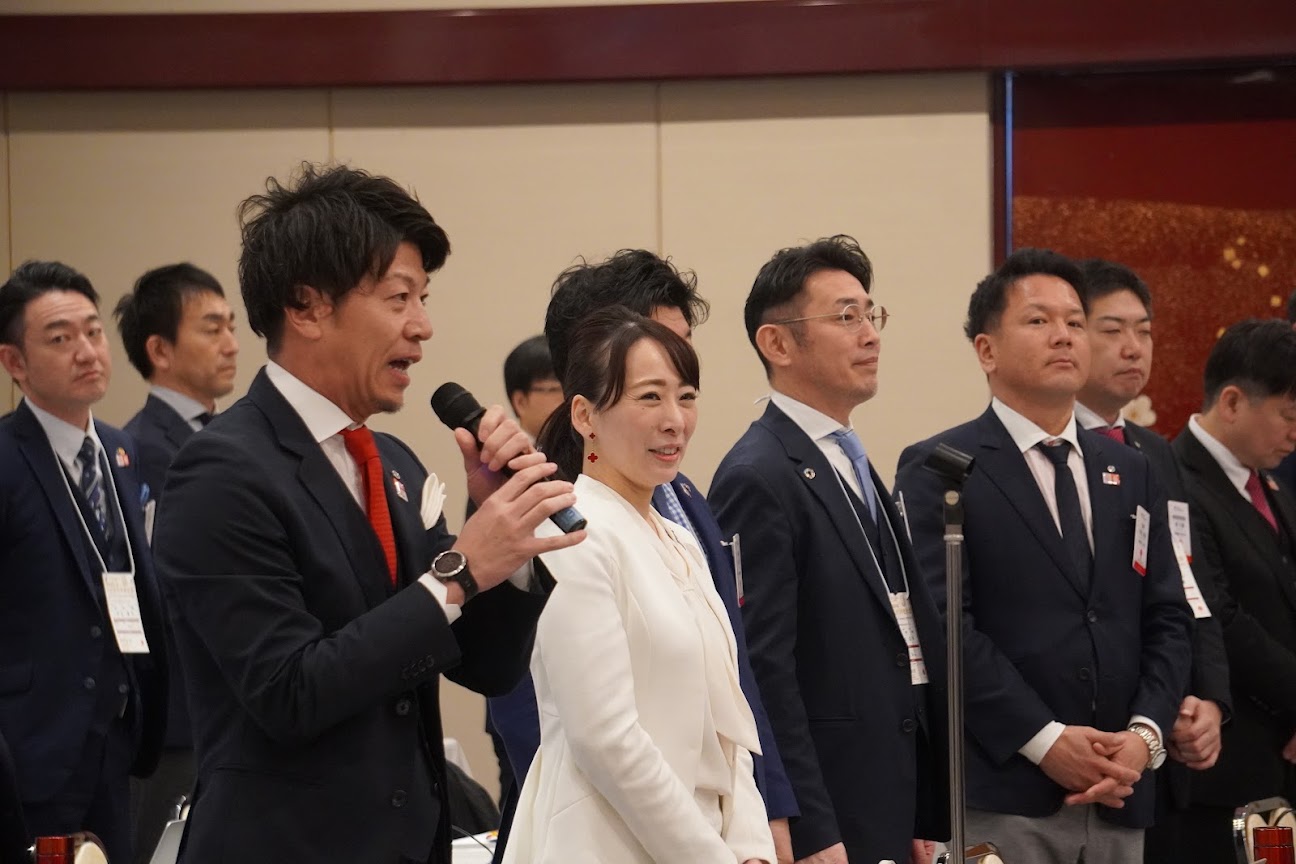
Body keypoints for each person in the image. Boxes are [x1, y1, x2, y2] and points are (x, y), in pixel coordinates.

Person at [152, 163, 583, 863]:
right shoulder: (220, 472)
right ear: (307, 307)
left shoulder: (394, 464)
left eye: (423, 298)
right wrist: (459, 572)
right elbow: (288, 691)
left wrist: (502, 542)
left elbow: (487, 668)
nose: (423, 326)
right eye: (399, 297)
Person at [486, 250, 797, 862]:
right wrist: (712, 856)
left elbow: (731, 719)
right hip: (608, 842)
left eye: (686, 396)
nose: (675, 420)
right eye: (650, 397)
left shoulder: (677, 535)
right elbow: (605, 740)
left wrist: (751, 843)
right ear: (585, 414)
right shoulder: (568, 529)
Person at [894, 248, 1192, 864]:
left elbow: (1168, 614)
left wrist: (1144, 736)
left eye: (1075, 322)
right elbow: (946, 627)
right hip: (1004, 790)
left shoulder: (1132, 469)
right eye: (1038, 320)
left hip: (1120, 789)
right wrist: (1045, 740)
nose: (1064, 335)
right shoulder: (942, 468)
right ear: (986, 350)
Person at [710, 235, 948, 864]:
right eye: (846, 317)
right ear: (777, 344)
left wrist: (919, 804)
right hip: (830, 813)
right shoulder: (759, 474)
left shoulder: (848, 456)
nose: (870, 335)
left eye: (872, 314)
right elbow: (763, 669)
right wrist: (811, 827)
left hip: (887, 798)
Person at [0, 260, 168, 864]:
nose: (87, 351)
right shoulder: (5, 458)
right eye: (59, 338)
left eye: (93, 332)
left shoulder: (120, 449)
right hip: (32, 745)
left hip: (116, 736)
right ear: (14, 362)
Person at [1071, 258, 1231, 862]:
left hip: (1163, 739)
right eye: (1113, 330)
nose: (1134, 348)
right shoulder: (1045, 451)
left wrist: (1209, 698)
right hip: (1087, 741)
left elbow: (1190, 579)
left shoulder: (1154, 453)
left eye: (1144, 331)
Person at [113, 261, 239, 863]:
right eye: (211, 328)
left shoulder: (229, 438)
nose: (231, 343)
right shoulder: (140, 448)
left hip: (231, 708)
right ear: (160, 350)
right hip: (179, 712)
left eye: (232, 325)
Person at [1171, 318, 1296, 863]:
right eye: (1289, 416)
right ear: (1231, 402)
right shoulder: (1176, 478)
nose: (1295, 434)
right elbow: (1217, 612)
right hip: (1227, 761)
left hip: (1280, 761)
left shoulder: (1270, 483)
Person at [484, 334, 563, 807]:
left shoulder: (584, 463)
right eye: (554, 388)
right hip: (522, 689)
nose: (568, 399)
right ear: (519, 400)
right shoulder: (500, 474)